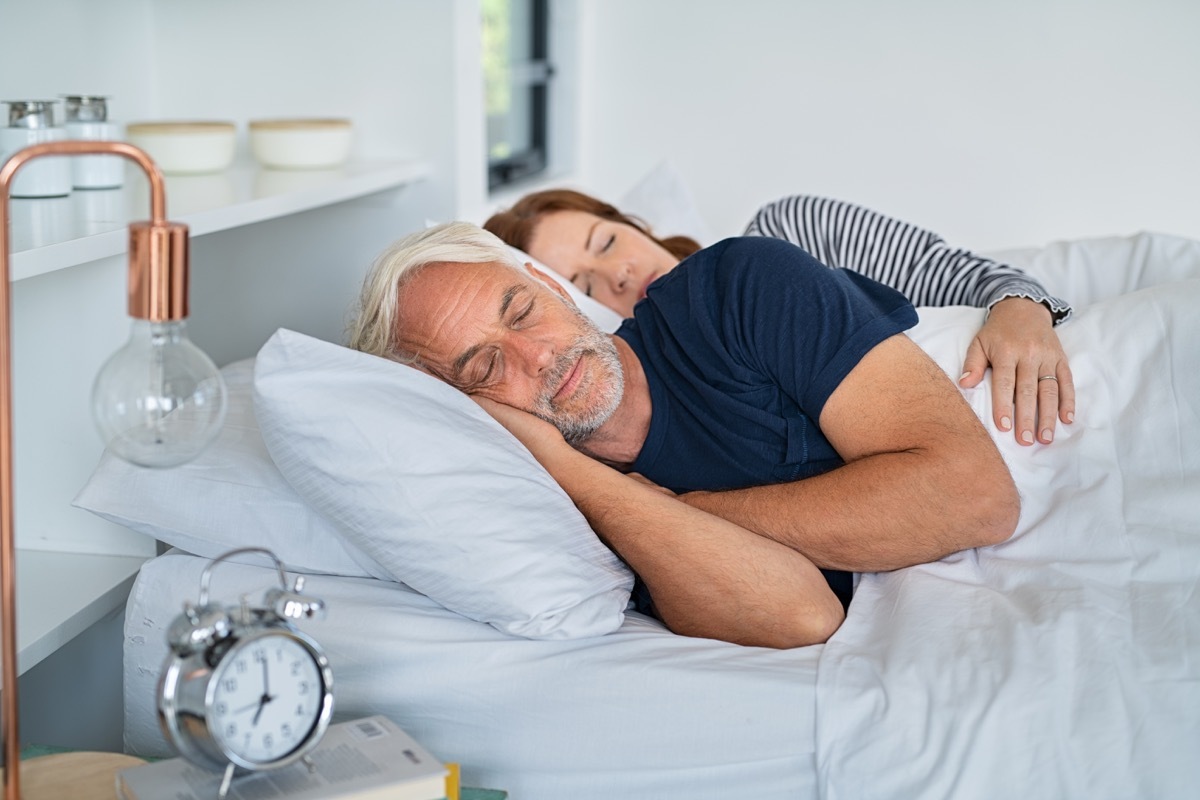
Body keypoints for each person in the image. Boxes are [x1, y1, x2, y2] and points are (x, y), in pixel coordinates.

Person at [348, 222, 1020, 650]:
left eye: (523, 311)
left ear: (550, 286)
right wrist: (577, 475)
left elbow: (977, 496)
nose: (538, 357)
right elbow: (803, 617)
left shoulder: (734, 286)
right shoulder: (557, 514)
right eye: (487, 367)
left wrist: (687, 512)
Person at [484, 190, 1076, 447]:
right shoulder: (673, 417)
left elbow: (964, 274)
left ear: (636, 225)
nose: (615, 274)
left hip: (1049, 382)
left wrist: (1022, 309)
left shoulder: (789, 229)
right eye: (583, 285)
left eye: (608, 241)